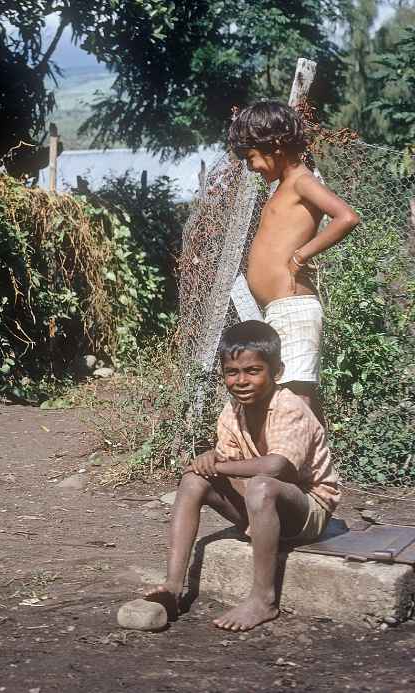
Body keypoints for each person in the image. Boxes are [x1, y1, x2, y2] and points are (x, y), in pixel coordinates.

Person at [145, 321, 339, 632]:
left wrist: (219, 467)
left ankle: (264, 600)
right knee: (193, 480)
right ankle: (172, 586)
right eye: (232, 372)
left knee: (263, 485)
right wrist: (209, 460)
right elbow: (228, 462)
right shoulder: (231, 413)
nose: (241, 381)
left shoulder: (290, 407)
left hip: (307, 509)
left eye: (253, 371)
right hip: (260, 506)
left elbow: (279, 467)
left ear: (276, 371)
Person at [228, 101, 360, 422]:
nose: (251, 168)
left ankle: (308, 467)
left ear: (274, 146)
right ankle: (299, 464)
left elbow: (347, 217)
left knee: (297, 397)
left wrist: (302, 255)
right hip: (277, 309)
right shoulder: (281, 188)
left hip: (294, 308)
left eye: (252, 158)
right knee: (283, 397)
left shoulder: (302, 181)